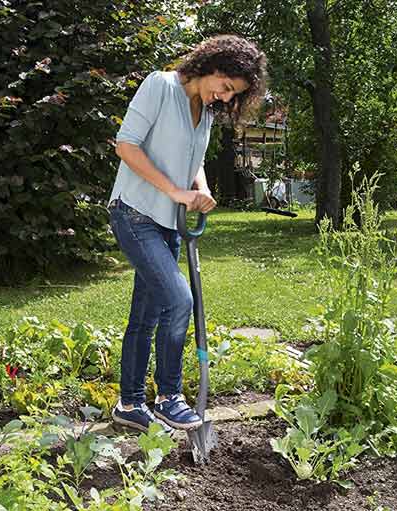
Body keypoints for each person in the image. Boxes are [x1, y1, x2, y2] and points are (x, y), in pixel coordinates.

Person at [108, 35, 267, 432]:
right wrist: (174, 190)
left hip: (170, 221)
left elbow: (192, 159)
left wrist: (202, 187)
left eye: (234, 95)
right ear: (212, 65)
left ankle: (129, 404)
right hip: (135, 212)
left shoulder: (207, 111)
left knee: (145, 315)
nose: (226, 97)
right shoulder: (160, 86)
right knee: (179, 301)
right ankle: (169, 396)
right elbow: (126, 146)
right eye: (226, 86)